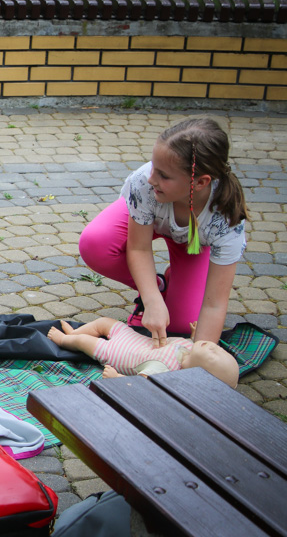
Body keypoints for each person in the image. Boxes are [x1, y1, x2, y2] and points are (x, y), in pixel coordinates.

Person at [78, 117, 247, 348]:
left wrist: (200, 355)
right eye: (153, 167)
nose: (151, 178)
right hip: (144, 222)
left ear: (200, 182)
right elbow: (138, 247)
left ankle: (173, 283)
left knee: (182, 325)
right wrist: (152, 298)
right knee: (94, 243)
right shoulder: (146, 184)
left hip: (193, 243)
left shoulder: (226, 220)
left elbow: (215, 304)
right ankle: (158, 286)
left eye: (163, 175)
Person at [47, 318, 239, 388]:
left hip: (117, 352)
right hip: (131, 337)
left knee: (84, 342)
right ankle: (75, 332)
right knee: (104, 322)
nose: (213, 346)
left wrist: (117, 377)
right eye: (219, 348)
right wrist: (195, 337)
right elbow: (191, 345)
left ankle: (66, 340)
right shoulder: (190, 348)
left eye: (213, 354)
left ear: (199, 372)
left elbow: (140, 386)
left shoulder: (165, 370)